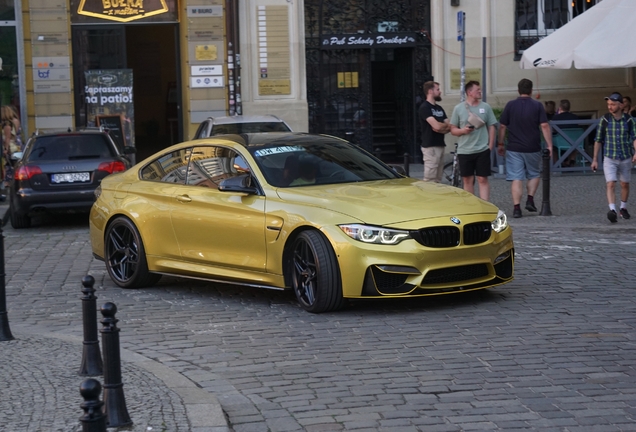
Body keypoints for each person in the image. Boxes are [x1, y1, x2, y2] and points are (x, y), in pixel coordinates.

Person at [498, 78, 553, 218]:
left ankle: (516, 209)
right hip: (532, 146)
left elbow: (503, 126)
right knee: (534, 174)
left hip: (514, 147)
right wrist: (549, 145)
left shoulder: (510, 105)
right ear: (531, 90)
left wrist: (500, 143)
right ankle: (530, 199)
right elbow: (544, 125)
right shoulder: (537, 106)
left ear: (518, 90)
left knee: (516, 178)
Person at [590, 92, 636, 223]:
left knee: (625, 184)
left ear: (621, 105)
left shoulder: (628, 120)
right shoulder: (605, 120)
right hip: (609, 157)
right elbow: (598, 140)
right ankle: (612, 210)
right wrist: (594, 159)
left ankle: (623, 207)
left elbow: (634, 138)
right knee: (610, 183)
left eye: (613, 104)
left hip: (625, 156)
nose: (610, 107)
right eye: (608, 104)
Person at [449, 80, 497, 201]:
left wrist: (490, 146)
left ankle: (485, 205)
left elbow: (492, 126)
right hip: (465, 150)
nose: (480, 92)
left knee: (482, 178)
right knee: (467, 179)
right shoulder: (458, 108)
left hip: (482, 149)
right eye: (478, 90)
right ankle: (471, 205)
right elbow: (453, 129)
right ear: (469, 92)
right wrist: (463, 131)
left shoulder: (485, 107)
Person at [419, 81, 450, 182]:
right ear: (430, 91)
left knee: (438, 178)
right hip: (430, 147)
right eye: (437, 89)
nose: (440, 92)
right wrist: (441, 126)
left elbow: (449, 126)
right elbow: (436, 126)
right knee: (430, 178)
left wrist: (441, 127)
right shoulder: (425, 107)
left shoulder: (439, 108)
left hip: (440, 145)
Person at [551, 99, 580, 167]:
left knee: (551, 145)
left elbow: (553, 130)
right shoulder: (575, 117)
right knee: (576, 143)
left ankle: (557, 163)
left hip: (560, 142)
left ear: (560, 108)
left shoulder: (555, 117)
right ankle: (571, 160)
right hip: (573, 142)